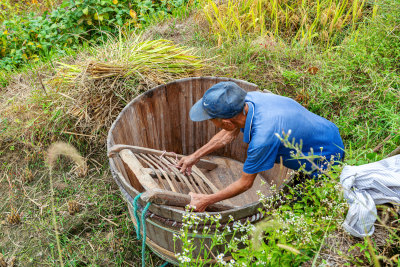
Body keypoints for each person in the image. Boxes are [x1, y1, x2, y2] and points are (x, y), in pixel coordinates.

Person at [177, 81, 344, 212]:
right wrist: (195, 156)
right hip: (325, 131)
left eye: (210, 119)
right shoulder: (248, 100)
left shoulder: (263, 138)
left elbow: (245, 183)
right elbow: (228, 133)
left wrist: (205, 200)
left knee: (310, 203)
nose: (210, 121)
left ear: (226, 122)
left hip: (327, 157)